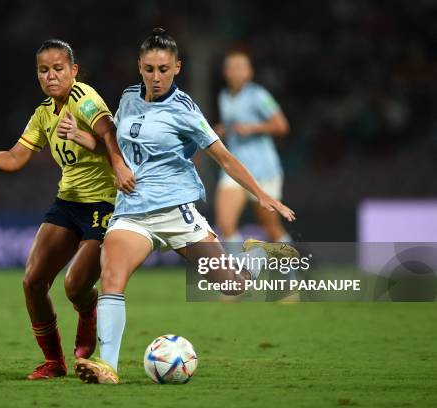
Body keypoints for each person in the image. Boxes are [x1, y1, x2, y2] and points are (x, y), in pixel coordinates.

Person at [72, 28, 298, 384]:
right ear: (139, 67)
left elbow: (224, 157)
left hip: (176, 213)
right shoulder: (129, 98)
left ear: (177, 67)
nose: (156, 77)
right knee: (112, 278)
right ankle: (108, 366)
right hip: (132, 211)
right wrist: (94, 145)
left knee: (232, 286)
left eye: (163, 69)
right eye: (149, 69)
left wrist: (262, 195)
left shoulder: (185, 110)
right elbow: (116, 143)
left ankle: (258, 258)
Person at [0, 39, 134, 380]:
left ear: (73, 70)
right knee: (33, 281)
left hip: (104, 205)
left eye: (58, 68)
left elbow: (113, 136)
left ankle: (88, 310)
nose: (51, 76)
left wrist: (113, 162)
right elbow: (14, 159)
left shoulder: (84, 100)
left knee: (74, 286)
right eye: (44, 70)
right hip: (68, 202)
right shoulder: (44, 113)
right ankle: (54, 362)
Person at [214, 51, 291, 244]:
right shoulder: (224, 96)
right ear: (225, 72)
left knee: (271, 227)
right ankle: (241, 272)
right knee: (225, 224)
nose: (237, 73)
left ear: (249, 72)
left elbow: (282, 125)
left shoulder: (258, 95)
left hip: (263, 169)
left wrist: (253, 127)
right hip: (235, 168)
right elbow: (233, 126)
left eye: (241, 68)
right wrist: (223, 130)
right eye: (232, 68)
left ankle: (291, 272)